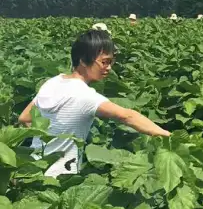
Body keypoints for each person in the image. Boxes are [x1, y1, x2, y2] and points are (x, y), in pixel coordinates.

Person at [18, 28, 170, 177]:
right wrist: (168, 136)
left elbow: (24, 118)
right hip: (60, 175)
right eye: (105, 62)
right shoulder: (84, 95)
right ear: (83, 60)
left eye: (111, 62)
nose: (109, 67)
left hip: (32, 170)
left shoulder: (52, 82)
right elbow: (127, 117)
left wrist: (49, 139)